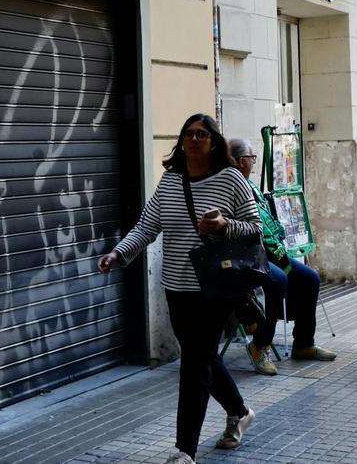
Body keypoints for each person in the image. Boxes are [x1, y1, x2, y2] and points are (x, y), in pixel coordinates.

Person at [98, 114, 260, 463]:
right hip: (177, 287)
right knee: (201, 359)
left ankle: (184, 450)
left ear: (214, 142)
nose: (194, 139)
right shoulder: (171, 181)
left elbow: (254, 228)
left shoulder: (231, 179)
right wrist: (118, 253)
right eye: (188, 134)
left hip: (215, 290)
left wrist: (224, 225)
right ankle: (240, 411)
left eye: (202, 134)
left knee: (194, 366)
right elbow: (146, 226)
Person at [228, 138, 335, 376]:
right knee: (277, 281)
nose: (254, 162)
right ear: (240, 161)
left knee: (310, 278)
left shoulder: (252, 186)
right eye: (251, 157)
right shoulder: (230, 188)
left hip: (271, 253)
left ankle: (303, 343)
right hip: (246, 256)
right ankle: (260, 345)